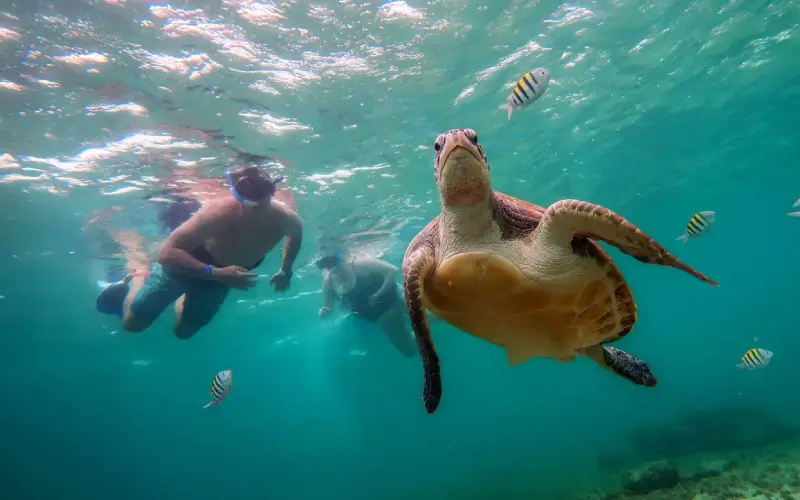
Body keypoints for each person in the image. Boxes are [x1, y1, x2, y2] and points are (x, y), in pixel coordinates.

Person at [95, 166, 303, 339]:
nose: (255, 210)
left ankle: (186, 298)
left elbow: (294, 237)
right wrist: (215, 273)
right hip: (185, 267)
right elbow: (166, 253)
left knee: (184, 333)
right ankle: (140, 275)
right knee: (134, 324)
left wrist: (286, 271)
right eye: (250, 203)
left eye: (261, 202)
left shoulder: (288, 219)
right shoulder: (218, 211)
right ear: (237, 195)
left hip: (223, 278)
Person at [316, 252, 416, 358]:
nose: (333, 269)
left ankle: (423, 320)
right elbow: (328, 307)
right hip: (377, 316)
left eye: (333, 263)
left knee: (410, 346)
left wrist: (378, 294)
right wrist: (323, 312)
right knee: (408, 349)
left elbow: (392, 270)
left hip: (393, 300)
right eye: (326, 266)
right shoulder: (328, 283)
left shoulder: (359, 264)